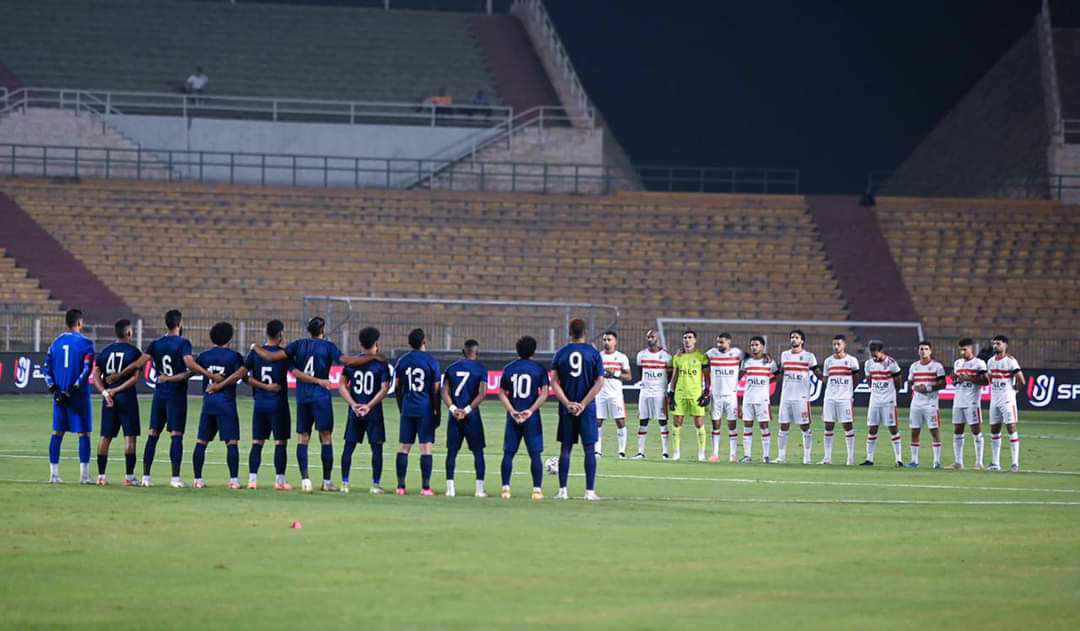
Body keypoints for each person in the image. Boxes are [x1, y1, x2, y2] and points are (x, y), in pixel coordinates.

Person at [251, 316, 381, 492]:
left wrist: (255, 347)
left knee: (303, 438)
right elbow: (347, 361)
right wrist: (373, 357)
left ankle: (305, 480)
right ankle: (327, 482)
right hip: (321, 398)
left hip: (303, 397)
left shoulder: (297, 345)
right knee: (325, 438)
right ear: (323, 330)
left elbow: (271, 356)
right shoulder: (328, 346)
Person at [108, 309, 204, 488]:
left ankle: (146, 477)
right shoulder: (183, 343)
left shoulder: (156, 344)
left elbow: (138, 363)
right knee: (176, 435)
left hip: (159, 394)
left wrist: (119, 374)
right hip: (176, 395)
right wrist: (206, 373)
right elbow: (189, 364)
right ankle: (175, 478)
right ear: (179, 323)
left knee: (153, 434)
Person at [550, 318, 604, 501]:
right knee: (589, 449)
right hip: (586, 409)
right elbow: (600, 382)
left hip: (567, 409)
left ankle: (563, 491)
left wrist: (567, 403)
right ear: (585, 332)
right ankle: (589, 492)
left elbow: (554, 382)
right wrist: (583, 403)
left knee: (565, 449)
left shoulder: (561, 353)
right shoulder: (594, 353)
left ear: (570, 332)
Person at [191, 322, 247, 489]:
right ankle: (234, 480)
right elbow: (240, 375)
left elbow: (192, 371)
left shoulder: (204, 356)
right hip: (226, 403)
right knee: (231, 442)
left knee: (201, 441)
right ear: (229, 338)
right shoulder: (234, 357)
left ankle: (198, 479)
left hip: (208, 402)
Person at [339, 327, 393, 494]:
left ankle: (344, 483)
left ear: (360, 344)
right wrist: (369, 406)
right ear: (376, 343)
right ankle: (375, 485)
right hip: (373, 412)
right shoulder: (381, 364)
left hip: (355, 411)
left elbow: (341, 385)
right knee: (376, 448)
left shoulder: (352, 363)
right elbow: (384, 389)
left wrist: (354, 404)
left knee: (349, 447)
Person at [44, 309, 95, 484]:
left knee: (57, 432)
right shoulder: (87, 343)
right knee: (84, 434)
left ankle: (53, 474)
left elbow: (46, 369)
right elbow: (86, 370)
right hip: (77, 396)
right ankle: (84, 476)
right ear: (80, 323)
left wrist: (55, 391)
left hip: (59, 397)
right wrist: (72, 390)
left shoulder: (55, 343)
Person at [497, 336, 550, 500]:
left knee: (508, 453)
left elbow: (501, 393)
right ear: (533, 350)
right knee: (535, 454)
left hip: (513, 417)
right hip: (531, 418)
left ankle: (505, 489)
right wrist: (530, 410)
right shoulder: (539, 369)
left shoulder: (509, 368)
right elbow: (544, 393)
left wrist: (513, 411)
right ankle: (537, 490)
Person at [91, 319, 142, 486]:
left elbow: (96, 375)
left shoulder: (105, 351)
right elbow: (135, 378)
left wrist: (106, 392)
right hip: (126, 397)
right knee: (130, 438)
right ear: (128, 333)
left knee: (105, 437)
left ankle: (101, 476)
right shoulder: (134, 352)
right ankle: (129, 477)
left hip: (109, 399)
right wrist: (117, 390)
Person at [244, 319, 292, 490]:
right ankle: (280, 481)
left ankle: (252, 480)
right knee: (280, 443)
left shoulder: (256, 353)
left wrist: (262, 386)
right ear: (280, 335)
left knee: (257, 442)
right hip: (278, 404)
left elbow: (244, 377)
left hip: (260, 404)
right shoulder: (283, 354)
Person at [393, 328, 442, 495]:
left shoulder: (402, 361)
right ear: (424, 342)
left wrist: (402, 407)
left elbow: (397, 387)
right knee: (425, 448)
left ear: (409, 343)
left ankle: (400, 487)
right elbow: (436, 391)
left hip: (408, 407)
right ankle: (425, 488)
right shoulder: (431, 361)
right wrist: (437, 413)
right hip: (425, 409)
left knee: (404, 447)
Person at [441, 339, 488, 497]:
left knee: (452, 452)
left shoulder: (451, 368)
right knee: (478, 452)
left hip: (454, 416)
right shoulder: (481, 369)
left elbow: (444, 391)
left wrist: (454, 409)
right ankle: (479, 490)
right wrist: (467, 410)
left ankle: (450, 489)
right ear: (477, 352)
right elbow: (482, 393)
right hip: (472, 415)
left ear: (463, 351)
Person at [776, 329, 819, 465]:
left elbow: (817, 372)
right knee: (783, 426)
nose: (793, 339)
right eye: (792, 337)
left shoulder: (809, 356)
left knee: (805, 426)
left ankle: (807, 458)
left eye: (796, 337)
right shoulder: (784, 355)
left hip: (801, 397)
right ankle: (781, 457)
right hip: (786, 396)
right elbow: (781, 373)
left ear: (802, 340)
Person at [860, 340, 904, 467]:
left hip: (888, 401)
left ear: (881, 351)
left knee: (893, 428)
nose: (874, 356)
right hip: (874, 401)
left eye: (876, 353)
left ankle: (899, 459)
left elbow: (898, 381)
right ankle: (869, 459)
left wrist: (892, 393)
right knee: (872, 428)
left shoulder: (891, 363)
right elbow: (869, 380)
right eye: (872, 353)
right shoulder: (868, 364)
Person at [668, 330, 711, 461]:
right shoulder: (677, 357)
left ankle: (701, 453)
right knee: (677, 423)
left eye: (690, 337)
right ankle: (676, 453)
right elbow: (674, 376)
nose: (687, 340)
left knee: (699, 424)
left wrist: (707, 391)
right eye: (685, 337)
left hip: (696, 394)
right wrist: (671, 392)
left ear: (695, 340)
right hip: (680, 394)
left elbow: (707, 376)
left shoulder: (701, 357)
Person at [821, 334, 861, 465]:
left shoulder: (851, 360)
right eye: (834, 344)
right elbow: (826, 379)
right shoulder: (828, 361)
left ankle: (850, 458)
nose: (836, 347)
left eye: (838, 344)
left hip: (845, 398)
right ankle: (827, 458)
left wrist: (848, 391)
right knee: (828, 425)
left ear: (844, 345)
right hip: (830, 398)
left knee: (847, 426)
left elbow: (856, 378)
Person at [987, 335, 1024, 472]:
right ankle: (995, 463)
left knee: (1011, 428)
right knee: (994, 430)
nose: (995, 346)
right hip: (994, 399)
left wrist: (1015, 390)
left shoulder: (1010, 361)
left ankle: (1015, 463)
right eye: (994, 343)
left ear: (1005, 345)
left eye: (998, 343)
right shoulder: (990, 361)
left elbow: (1021, 379)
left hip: (1007, 398)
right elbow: (989, 379)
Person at [906, 340, 946, 468]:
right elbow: (910, 382)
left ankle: (937, 461)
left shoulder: (937, 366)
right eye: (921, 349)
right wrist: (916, 387)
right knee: (914, 432)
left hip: (931, 404)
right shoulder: (914, 366)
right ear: (918, 351)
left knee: (934, 431)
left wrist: (927, 388)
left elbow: (943, 384)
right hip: (916, 404)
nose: (923, 351)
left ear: (931, 351)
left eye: (926, 349)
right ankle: (914, 461)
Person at [633, 329, 672, 459]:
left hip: (660, 392)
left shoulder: (666, 356)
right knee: (643, 421)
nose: (650, 339)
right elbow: (640, 372)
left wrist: (666, 388)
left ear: (658, 338)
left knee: (662, 421)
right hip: (645, 392)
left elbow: (670, 374)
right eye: (648, 337)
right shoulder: (641, 355)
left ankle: (665, 453)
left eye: (652, 337)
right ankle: (640, 452)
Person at [950, 337, 989, 469]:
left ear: (971, 348)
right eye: (960, 350)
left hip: (972, 402)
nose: (962, 352)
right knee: (957, 431)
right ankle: (958, 462)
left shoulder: (979, 363)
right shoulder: (957, 363)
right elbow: (953, 380)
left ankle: (979, 462)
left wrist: (969, 378)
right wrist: (955, 380)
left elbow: (986, 381)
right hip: (958, 400)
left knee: (976, 431)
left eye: (964, 349)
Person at [706, 332, 744, 462]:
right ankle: (715, 454)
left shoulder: (737, 353)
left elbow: (751, 357)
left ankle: (733, 455)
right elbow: (701, 360)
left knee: (732, 425)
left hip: (731, 396)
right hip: (716, 395)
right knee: (716, 424)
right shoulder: (711, 353)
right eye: (718, 342)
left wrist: (766, 355)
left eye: (721, 342)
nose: (719, 345)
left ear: (729, 342)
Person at [739, 336, 776, 463]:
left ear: (762, 346)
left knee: (764, 426)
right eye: (752, 345)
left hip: (762, 400)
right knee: (747, 426)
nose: (754, 347)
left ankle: (766, 456)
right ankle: (747, 456)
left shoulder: (769, 362)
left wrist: (767, 382)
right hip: (748, 399)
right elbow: (741, 378)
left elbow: (777, 375)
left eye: (756, 345)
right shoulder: (746, 362)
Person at [596, 331, 632, 458]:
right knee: (598, 422)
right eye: (604, 339)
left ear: (615, 342)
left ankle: (621, 451)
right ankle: (597, 451)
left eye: (609, 339)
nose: (606, 342)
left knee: (620, 421)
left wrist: (615, 374)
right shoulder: (598, 356)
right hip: (600, 393)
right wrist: (602, 374)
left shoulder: (621, 357)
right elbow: (592, 374)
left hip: (615, 394)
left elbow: (628, 376)